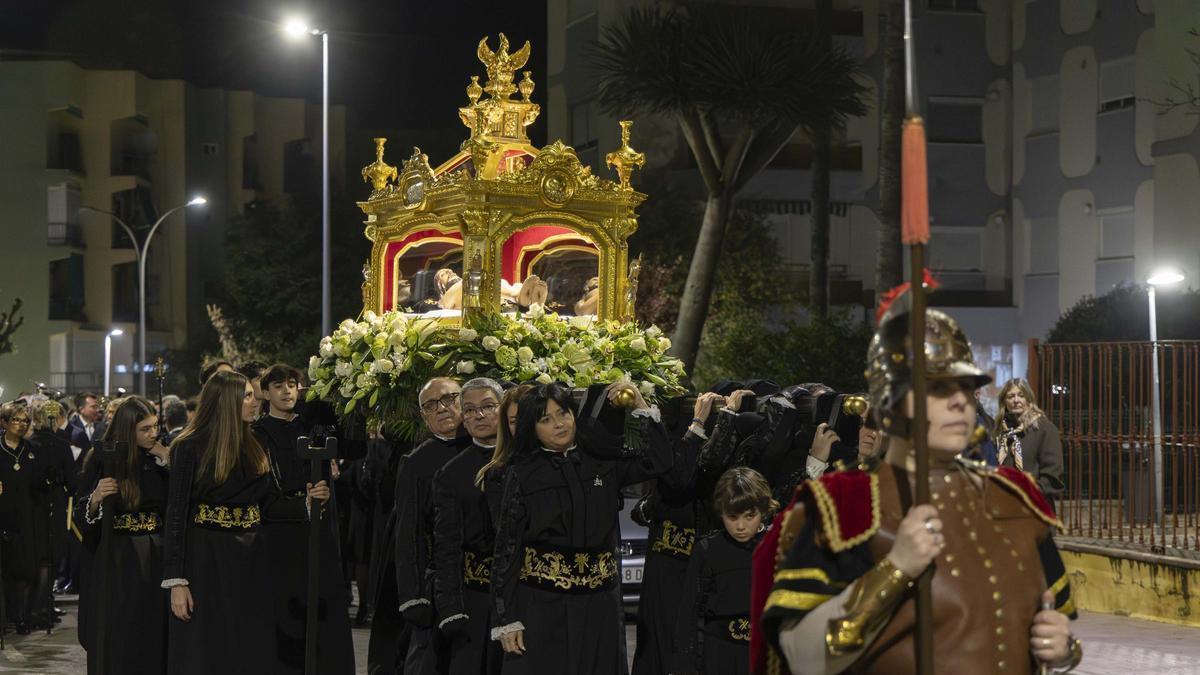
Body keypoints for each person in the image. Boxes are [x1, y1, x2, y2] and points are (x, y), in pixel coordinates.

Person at [756, 302, 1082, 675]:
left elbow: (1052, 630)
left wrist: (1062, 649)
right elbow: (801, 657)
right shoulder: (842, 505)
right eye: (940, 388)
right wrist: (897, 568)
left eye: (966, 385)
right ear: (890, 403)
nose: (961, 400)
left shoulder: (1016, 500)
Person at [490, 381, 671, 675]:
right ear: (531, 428)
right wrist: (506, 618)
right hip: (543, 607)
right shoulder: (521, 474)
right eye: (545, 420)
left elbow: (661, 461)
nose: (559, 424)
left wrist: (640, 405)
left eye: (563, 414)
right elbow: (507, 548)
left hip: (600, 606)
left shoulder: (604, 461)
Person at [161, 370, 326, 674]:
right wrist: (177, 581)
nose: (256, 401)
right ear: (228, 401)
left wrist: (307, 501)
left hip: (252, 559)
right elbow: (176, 514)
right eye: (248, 396)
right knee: (208, 647)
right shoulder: (189, 446)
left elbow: (267, 503)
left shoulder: (254, 444)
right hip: (208, 562)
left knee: (251, 643)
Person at [251, 364, 355, 674]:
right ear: (265, 392)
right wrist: (302, 506)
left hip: (318, 531)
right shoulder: (257, 435)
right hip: (279, 537)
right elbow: (262, 492)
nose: (287, 391)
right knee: (287, 612)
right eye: (279, 385)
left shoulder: (313, 428)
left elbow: (353, 444)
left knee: (324, 610)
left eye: (293, 384)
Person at [74, 396, 170, 674]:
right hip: (118, 560)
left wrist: (168, 463)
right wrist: (95, 499)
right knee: (119, 632)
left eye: (154, 427)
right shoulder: (103, 457)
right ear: (128, 430)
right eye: (145, 429)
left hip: (155, 556)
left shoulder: (160, 458)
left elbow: (175, 507)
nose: (153, 434)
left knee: (151, 631)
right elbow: (83, 513)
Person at [630, 392, 723, 675]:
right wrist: (696, 426)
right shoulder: (675, 450)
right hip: (665, 564)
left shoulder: (717, 455)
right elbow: (676, 476)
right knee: (657, 645)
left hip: (694, 566)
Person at [395, 377, 471, 674]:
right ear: (424, 417)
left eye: (449, 399)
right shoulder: (416, 462)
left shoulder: (488, 449)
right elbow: (408, 532)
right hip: (438, 584)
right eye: (430, 405)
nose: (441, 408)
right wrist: (414, 596)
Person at [432, 377, 507, 675]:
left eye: (488, 406)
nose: (479, 415)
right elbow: (445, 546)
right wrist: (450, 608)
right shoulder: (451, 473)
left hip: (525, 594)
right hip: (475, 598)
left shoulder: (523, 460)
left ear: (503, 409)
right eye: (471, 409)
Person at [673, 466, 776, 675]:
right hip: (718, 656)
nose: (740, 526)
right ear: (721, 512)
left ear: (763, 511)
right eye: (732, 516)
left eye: (749, 516)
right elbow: (688, 613)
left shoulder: (776, 549)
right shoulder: (708, 550)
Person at [0, 402, 46, 633]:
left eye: (24, 421)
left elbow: (40, 483)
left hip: (27, 517)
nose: (21, 425)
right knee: (5, 571)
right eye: (15, 420)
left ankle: (21, 616)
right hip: (3, 515)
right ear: (4, 423)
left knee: (25, 571)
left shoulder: (31, 450)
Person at [29, 400, 75, 627]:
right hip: (55, 504)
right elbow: (72, 481)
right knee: (51, 557)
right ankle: (42, 607)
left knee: (39, 558)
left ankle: (37, 607)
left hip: (33, 506)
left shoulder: (28, 444)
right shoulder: (61, 444)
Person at [994, 379, 1064, 498]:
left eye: (1021, 396)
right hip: (1004, 503)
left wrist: (1026, 493)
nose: (1016, 400)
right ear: (1004, 402)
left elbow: (1052, 475)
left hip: (1034, 503)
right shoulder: (1000, 431)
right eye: (1011, 396)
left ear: (1029, 399)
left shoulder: (1044, 428)